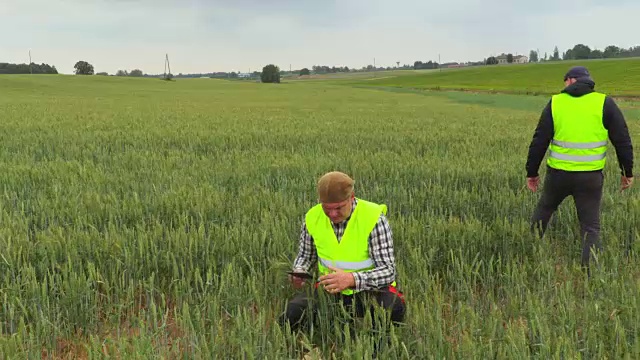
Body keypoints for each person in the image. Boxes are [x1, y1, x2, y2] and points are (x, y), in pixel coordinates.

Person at [279, 171, 406, 351]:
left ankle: (375, 351)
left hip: (370, 289)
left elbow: (388, 270)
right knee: (291, 312)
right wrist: (299, 271)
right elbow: (305, 255)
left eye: (338, 208)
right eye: (327, 208)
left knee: (393, 308)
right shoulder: (313, 217)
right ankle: (299, 348)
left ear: (351, 198)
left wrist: (351, 279)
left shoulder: (373, 219)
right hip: (328, 290)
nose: (332, 213)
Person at [525, 65, 634, 269]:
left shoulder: (556, 102)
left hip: (558, 175)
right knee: (590, 227)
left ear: (570, 80)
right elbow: (622, 140)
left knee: (545, 210)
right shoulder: (604, 102)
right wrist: (626, 172)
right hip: (590, 178)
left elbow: (539, 140)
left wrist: (532, 173)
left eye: (564, 81)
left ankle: (527, 255)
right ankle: (590, 272)